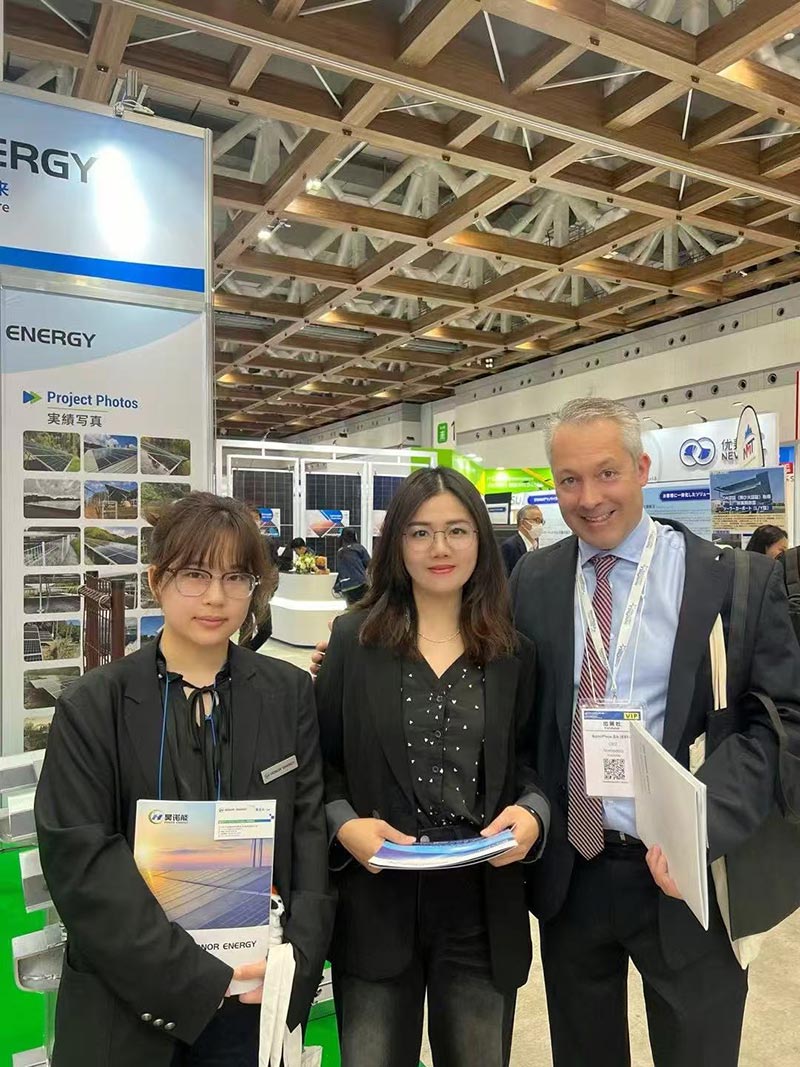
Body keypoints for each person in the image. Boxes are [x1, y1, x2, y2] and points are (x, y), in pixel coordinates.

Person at [511, 397, 800, 1067]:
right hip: (575, 873)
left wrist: (702, 825)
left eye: (607, 473)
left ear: (642, 469)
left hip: (690, 878)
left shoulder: (732, 581)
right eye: (569, 480)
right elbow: (512, 706)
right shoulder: (534, 579)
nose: (589, 498)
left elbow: (779, 718)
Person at [35, 492, 335, 1067]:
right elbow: (83, 864)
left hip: (256, 992)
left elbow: (308, 831)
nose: (216, 597)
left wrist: (298, 962)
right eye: (195, 574)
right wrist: (199, 980)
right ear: (157, 581)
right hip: (130, 1002)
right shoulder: (94, 705)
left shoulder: (287, 693)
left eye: (235, 577)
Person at [314, 467, 549, 1067]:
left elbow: (532, 760)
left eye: (456, 531)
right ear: (397, 543)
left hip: (480, 903)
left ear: (481, 541)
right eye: (420, 532)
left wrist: (532, 813)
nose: (439, 548)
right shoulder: (353, 642)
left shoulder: (513, 652)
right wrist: (343, 823)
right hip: (376, 900)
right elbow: (321, 760)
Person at [500, 504, 543, 576]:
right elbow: (506, 576)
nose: (540, 525)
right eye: (536, 520)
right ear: (523, 523)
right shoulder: (509, 546)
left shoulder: (536, 544)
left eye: (541, 521)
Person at [334, 528, 371, 606]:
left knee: (351, 607)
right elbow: (369, 564)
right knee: (363, 606)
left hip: (345, 585)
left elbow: (341, 569)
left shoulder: (340, 551)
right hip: (359, 583)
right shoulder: (359, 548)